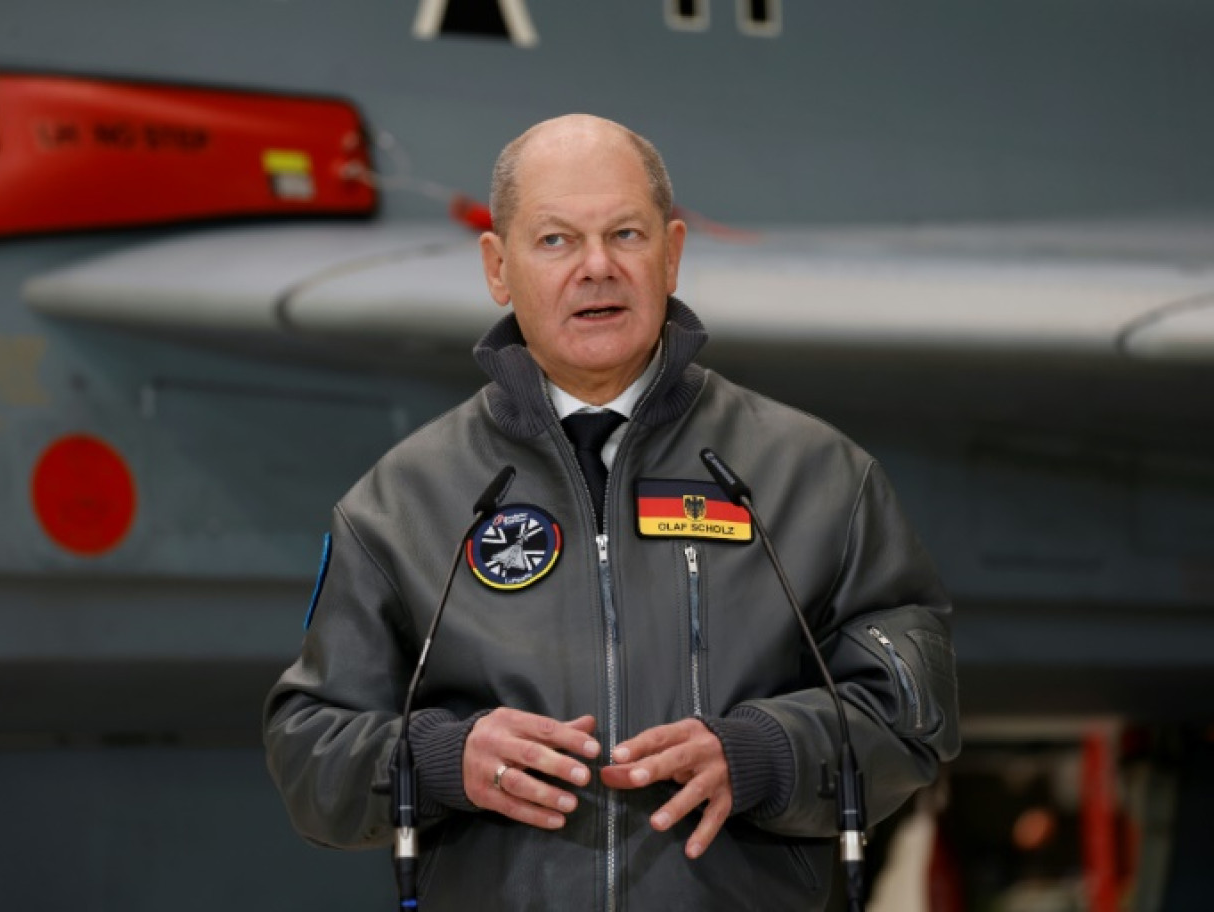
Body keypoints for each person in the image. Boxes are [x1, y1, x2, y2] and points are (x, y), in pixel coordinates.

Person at [264, 114, 959, 911]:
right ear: (498, 267)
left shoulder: (817, 477)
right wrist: (442, 759)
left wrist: (765, 755)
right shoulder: (401, 501)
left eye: (625, 234)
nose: (597, 267)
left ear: (672, 253)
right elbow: (308, 754)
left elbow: (912, 715)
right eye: (556, 240)